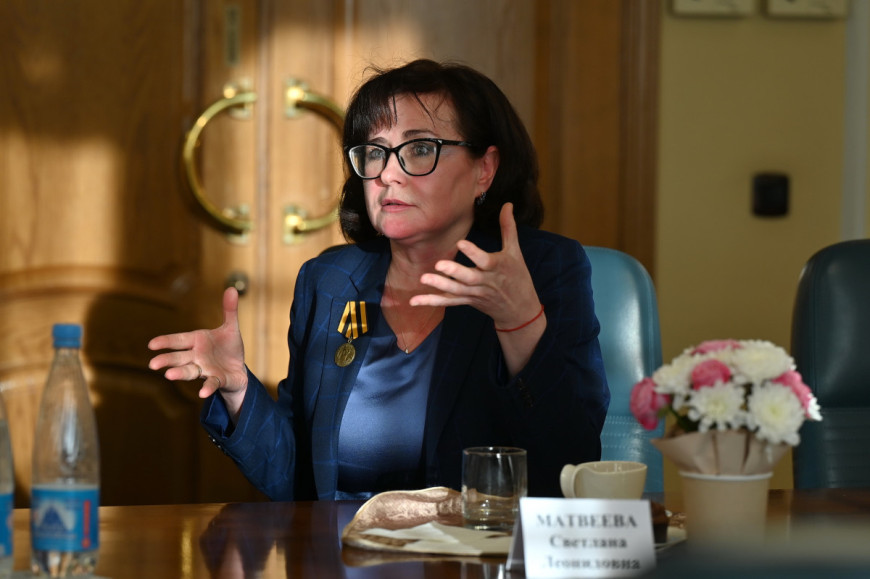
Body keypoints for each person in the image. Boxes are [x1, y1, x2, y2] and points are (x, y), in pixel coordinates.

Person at [148, 59, 609, 501]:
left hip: (474, 547)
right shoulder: (329, 280)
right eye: (374, 152)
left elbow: (570, 464)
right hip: (341, 548)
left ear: (483, 170)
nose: (387, 174)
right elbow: (300, 481)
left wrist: (519, 322)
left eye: (420, 149)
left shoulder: (543, 269)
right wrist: (238, 391)